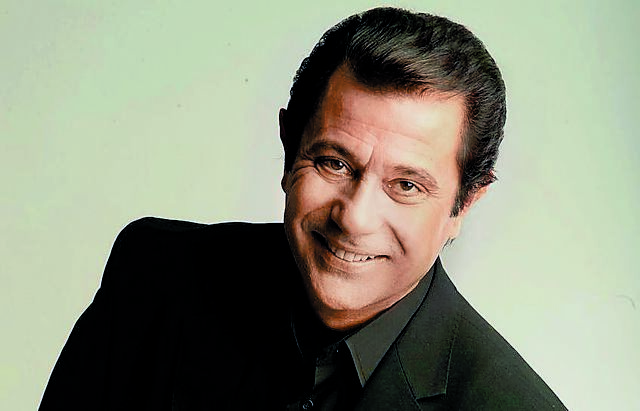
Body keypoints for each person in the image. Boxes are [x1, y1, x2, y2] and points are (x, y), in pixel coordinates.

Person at [40, 7, 566, 410]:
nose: (354, 218)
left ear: (463, 205)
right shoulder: (156, 276)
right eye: (335, 163)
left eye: (406, 185)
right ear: (289, 147)